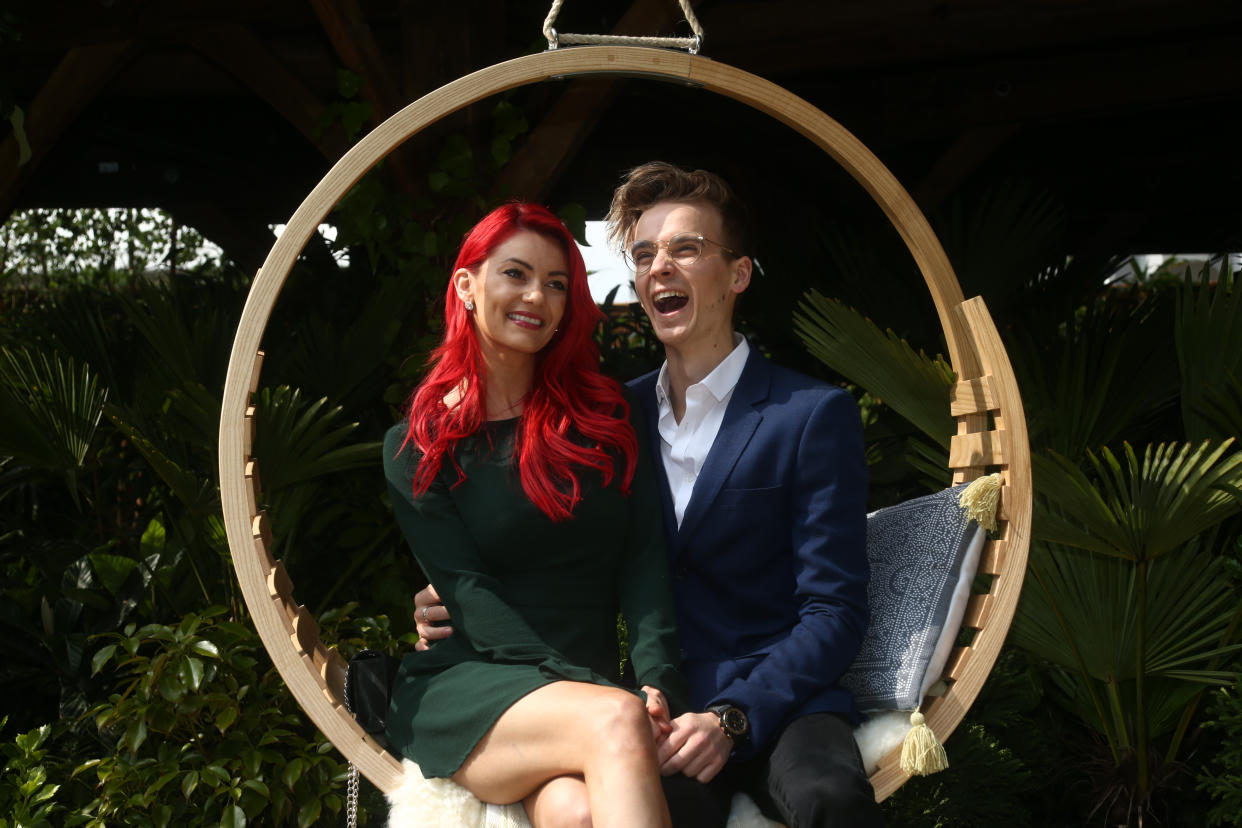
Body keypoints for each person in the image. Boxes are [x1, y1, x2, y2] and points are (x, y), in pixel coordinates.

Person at [418, 163, 883, 827]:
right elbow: (550, 547)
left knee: (829, 799)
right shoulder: (607, 420)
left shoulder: (811, 414)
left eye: (686, 249)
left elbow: (835, 610)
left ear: (739, 274)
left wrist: (737, 714)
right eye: (643, 254)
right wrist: (450, 597)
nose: (659, 266)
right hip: (653, 712)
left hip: (787, 706)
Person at [384, 202, 689, 828]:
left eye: (556, 284)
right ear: (467, 286)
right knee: (615, 720)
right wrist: (606, 695)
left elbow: (644, 560)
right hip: (473, 682)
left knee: (576, 814)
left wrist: (657, 681)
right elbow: (468, 594)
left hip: (585, 696)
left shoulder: (607, 419)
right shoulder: (419, 442)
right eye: (515, 274)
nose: (537, 297)